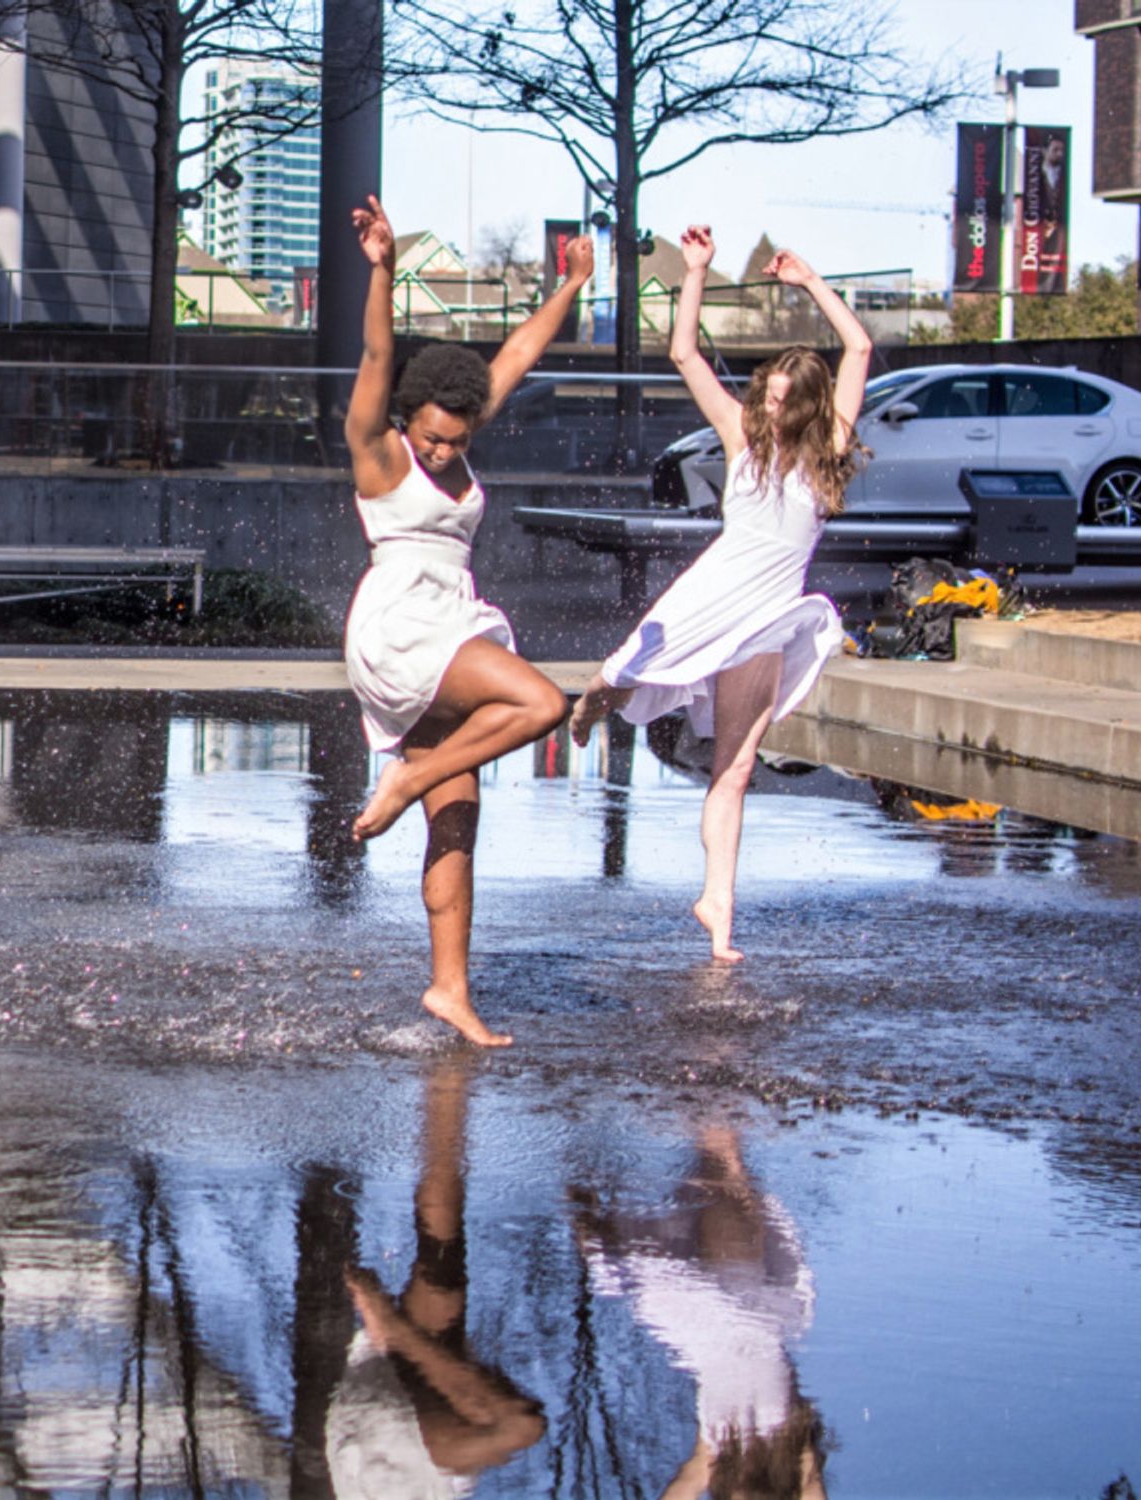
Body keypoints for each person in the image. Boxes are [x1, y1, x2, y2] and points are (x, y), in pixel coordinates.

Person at [570, 224, 872, 963]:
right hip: (715, 590)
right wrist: (696, 272)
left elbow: (858, 348)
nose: (767, 408)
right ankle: (588, 702)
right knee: (620, 676)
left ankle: (718, 910)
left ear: (804, 406)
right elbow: (683, 355)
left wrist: (812, 283)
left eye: (780, 402)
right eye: (764, 396)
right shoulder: (741, 437)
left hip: (769, 618)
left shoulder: (827, 448)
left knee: (735, 767)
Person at [343, 195, 593, 1047]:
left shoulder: (463, 428)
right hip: (403, 623)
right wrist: (380, 267)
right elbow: (377, 352)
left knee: (459, 818)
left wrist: (572, 286)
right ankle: (405, 778)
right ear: (409, 419)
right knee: (540, 704)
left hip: (451, 617)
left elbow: (515, 353)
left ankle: (450, 989)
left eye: (456, 438)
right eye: (433, 436)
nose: (444, 450)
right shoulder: (381, 453)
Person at [573, 1124, 829, 1500]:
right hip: (755, 1305)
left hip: (697, 1321)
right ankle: (713, 1095)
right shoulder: (797, 1453)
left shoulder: (713, 1453)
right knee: (723, 1169)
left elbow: (682, 1491)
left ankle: (584, 1134)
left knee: (597, 1232)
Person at [327, 1059, 545, 1493]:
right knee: (440, 1270)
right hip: (364, 1439)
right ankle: (448, 1081)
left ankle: (393, 1331)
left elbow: (524, 1426)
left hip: (399, 1459)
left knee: (518, 1425)